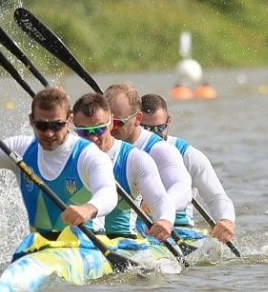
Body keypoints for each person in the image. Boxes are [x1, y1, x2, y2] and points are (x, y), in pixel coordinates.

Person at [0, 87, 119, 259]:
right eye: (41, 125)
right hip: (41, 248)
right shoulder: (20, 149)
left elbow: (108, 192)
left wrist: (88, 208)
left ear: (69, 121)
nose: (48, 133)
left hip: (87, 246)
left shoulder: (88, 154)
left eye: (57, 125)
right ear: (31, 120)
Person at [71, 93, 174, 243]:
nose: (92, 138)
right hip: (75, 241)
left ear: (111, 123)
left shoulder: (135, 159)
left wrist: (165, 220)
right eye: (84, 132)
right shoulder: (66, 153)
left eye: (99, 130)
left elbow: (160, 200)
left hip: (123, 243)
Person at [140, 93, 236, 244]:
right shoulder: (127, 152)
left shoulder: (189, 156)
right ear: (135, 123)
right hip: (140, 230)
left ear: (169, 121)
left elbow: (216, 198)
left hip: (180, 232)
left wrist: (226, 220)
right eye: (145, 129)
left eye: (159, 128)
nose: (153, 136)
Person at [104, 83, 194, 243]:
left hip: (126, 238)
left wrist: (164, 214)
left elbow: (183, 187)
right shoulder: (85, 142)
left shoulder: (157, 151)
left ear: (137, 119)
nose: (109, 128)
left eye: (117, 122)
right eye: (105, 122)